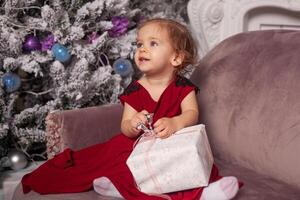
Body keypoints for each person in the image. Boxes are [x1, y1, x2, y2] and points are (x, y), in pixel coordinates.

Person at [22, 18, 241, 200]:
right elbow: (125, 126)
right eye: (139, 44)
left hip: (170, 142)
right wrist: (133, 123)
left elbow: (192, 114)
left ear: (176, 57)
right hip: (136, 144)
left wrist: (176, 123)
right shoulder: (135, 89)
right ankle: (119, 187)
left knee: (188, 161)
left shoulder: (183, 87)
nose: (142, 49)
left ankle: (205, 192)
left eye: (153, 43)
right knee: (119, 163)